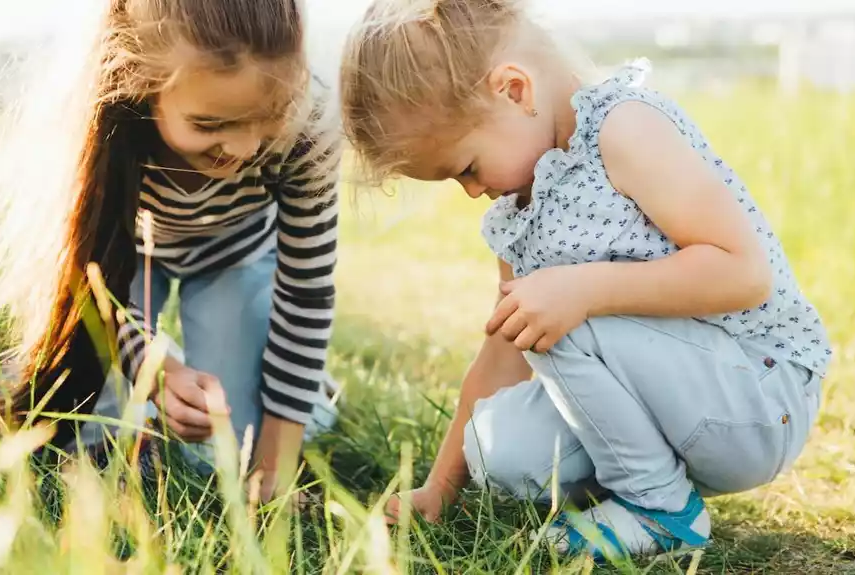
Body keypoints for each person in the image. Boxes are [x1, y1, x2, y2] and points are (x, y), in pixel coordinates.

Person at [339, 0, 829, 560]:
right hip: (680, 406)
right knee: (497, 450)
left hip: (756, 399)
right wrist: (441, 487)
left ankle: (661, 510)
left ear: (514, 91)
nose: (472, 192)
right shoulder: (520, 213)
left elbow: (742, 273)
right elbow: (503, 353)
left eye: (467, 167)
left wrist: (582, 290)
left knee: (552, 302)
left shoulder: (625, 129)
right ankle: (643, 488)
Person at [0, 0, 342, 502]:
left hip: (235, 255)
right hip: (124, 262)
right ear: (142, 83)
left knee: (219, 456)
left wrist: (273, 463)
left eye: (269, 115)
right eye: (209, 124)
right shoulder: (97, 120)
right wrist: (158, 373)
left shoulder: (310, 127)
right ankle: (141, 397)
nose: (243, 148)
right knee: (81, 430)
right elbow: (85, 278)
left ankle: (309, 394)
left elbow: (306, 296)